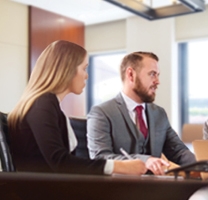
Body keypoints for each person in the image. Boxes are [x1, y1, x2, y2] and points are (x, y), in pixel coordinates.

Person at [7, 40, 146, 175]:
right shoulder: (42, 104)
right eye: (84, 68)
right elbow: (60, 162)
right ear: (67, 69)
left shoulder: (49, 105)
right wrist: (118, 166)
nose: (86, 75)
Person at [87, 51, 196, 175]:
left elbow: (178, 151)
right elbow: (100, 158)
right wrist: (145, 160)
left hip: (154, 188)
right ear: (131, 75)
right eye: (152, 74)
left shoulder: (159, 113)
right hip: (118, 189)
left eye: (158, 75)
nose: (157, 81)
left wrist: (204, 164)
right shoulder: (102, 113)